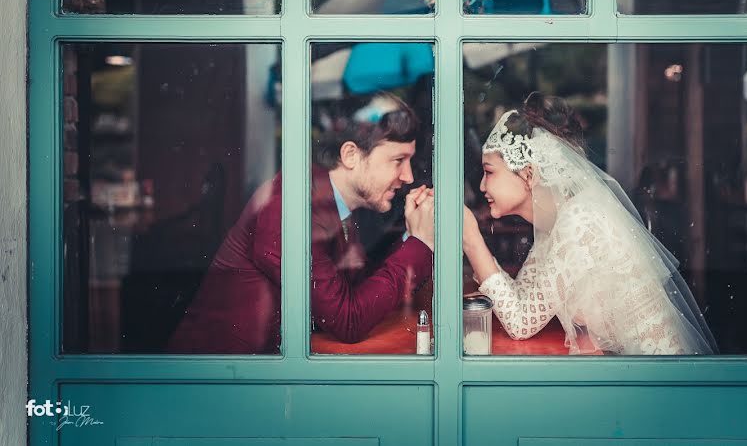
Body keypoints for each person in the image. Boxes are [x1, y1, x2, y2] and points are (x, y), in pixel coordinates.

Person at [168, 96, 435, 353]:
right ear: (351, 155)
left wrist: (412, 237)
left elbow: (355, 287)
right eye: (398, 160)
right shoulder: (291, 209)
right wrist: (420, 244)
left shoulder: (326, 198)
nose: (408, 176)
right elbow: (348, 320)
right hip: (214, 384)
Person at [461, 93, 717, 355]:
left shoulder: (579, 221)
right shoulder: (557, 224)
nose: (481, 185)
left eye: (489, 171)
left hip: (650, 381)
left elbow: (520, 322)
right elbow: (521, 300)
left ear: (528, 174)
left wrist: (471, 239)